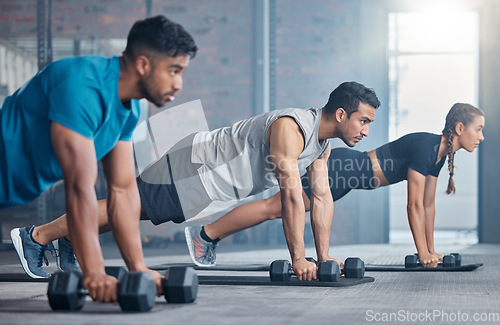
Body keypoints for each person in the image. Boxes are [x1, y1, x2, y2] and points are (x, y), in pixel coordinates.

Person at [13, 81, 380, 281]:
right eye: (364, 121)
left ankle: (70, 238)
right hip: (196, 167)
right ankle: (36, 237)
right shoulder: (292, 128)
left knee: (135, 213)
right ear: (342, 113)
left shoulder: (321, 146)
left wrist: (324, 257)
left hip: (211, 184)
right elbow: (290, 198)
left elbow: (321, 198)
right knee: (130, 207)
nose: (366, 131)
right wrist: (298, 258)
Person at [4, 15, 197, 301]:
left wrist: (138, 268)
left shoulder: (128, 111)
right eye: (174, 70)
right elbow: (80, 187)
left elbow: (122, 191)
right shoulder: (82, 84)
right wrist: (93, 271)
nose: (179, 84)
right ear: (143, 64)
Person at [192, 103, 484, 268]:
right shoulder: (426, 146)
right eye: (478, 129)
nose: (481, 136)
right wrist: (422, 255)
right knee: (274, 208)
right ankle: (205, 235)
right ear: (460, 128)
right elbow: (413, 205)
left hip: (346, 180)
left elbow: (428, 206)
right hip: (342, 169)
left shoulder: (438, 155)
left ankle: (207, 235)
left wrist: (432, 251)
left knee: (275, 208)